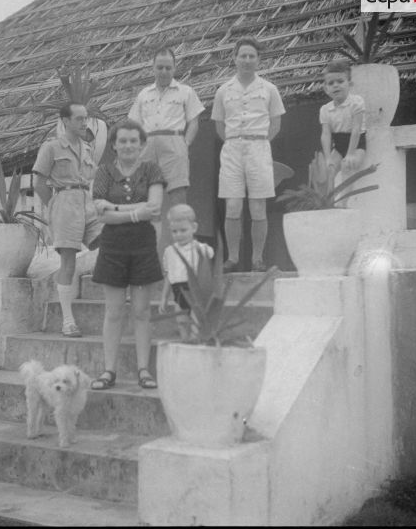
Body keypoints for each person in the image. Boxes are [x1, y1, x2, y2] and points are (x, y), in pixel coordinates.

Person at [90, 119, 165, 390]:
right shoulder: (104, 172)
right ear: (114, 145)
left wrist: (117, 209)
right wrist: (135, 212)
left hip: (144, 245)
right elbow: (102, 215)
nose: (128, 145)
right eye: (122, 141)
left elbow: (154, 209)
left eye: (134, 140)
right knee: (113, 312)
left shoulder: (151, 170)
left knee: (142, 311)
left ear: (142, 145)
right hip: (112, 247)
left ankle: (144, 370)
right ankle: (109, 371)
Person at [211, 37, 286, 273]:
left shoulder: (269, 89)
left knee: (257, 207)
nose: (246, 60)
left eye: (251, 56)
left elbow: (275, 124)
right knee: (233, 206)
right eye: (242, 55)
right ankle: (232, 258)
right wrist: (236, 143)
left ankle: (257, 259)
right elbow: (219, 126)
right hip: (232, 149)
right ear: (234, 58)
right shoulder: (223, 90)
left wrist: (258, 143)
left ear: (258, 60)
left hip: (259, 148)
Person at [33, 102, 103, 337]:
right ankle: (68, 321)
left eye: (86, 118)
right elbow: (39, 183)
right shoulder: (51, 147)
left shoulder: (88, 148)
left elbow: (90, 177)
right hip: (64, 202)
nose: (85, 123)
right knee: (69, 263)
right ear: (65, 121)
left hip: (87, 201)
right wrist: (54, 206)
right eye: (79, 119)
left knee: (111, 241)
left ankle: (114, 292)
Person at [128, 47, 205, 207]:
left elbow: (194, 122)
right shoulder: (144, 94)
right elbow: (134, 124)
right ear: (153, 68)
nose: (164, 71)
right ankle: (149, 232)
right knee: (144, 196)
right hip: (147, 146)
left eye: (168, 68)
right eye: (160, 67)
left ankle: (180, 231)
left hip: (174, 144)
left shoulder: (186, 92)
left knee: (178, 194)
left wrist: (186, 143)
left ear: (174, 68)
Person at [159, 204, 214, 341]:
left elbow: (210, 256)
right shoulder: (169, 251)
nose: (179, 235)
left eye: (183, 230)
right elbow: (168, 276)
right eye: (174, 231)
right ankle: (185, 343)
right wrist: (164, 298)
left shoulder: (200, 248)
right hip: (178, 291)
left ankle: (195, 345)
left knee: (196, 323)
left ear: (193, 228)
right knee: (181, 321)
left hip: (195, 290)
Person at [319, 60, 366, 193]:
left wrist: (351, 153)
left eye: (340, 81)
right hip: (339, 144)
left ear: (349, 84)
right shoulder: (325, 109)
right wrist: (328, 157)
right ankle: (328, 204)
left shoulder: (356, 102)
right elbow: (326, 134)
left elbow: (356, 129)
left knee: (347, 166)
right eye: (331, 83)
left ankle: (343, 206)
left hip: (356, 144)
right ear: (326, 88)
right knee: (329, 170)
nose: (336, 86)